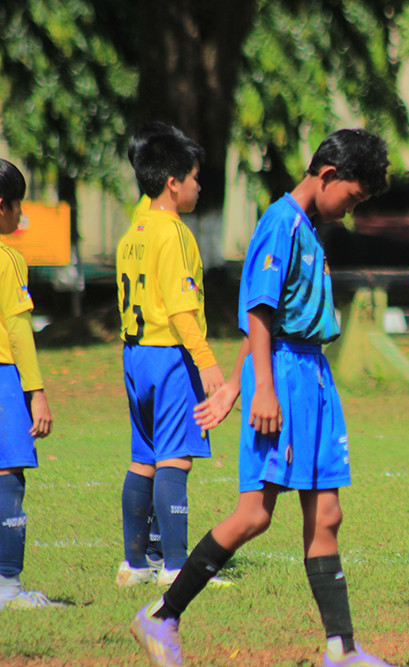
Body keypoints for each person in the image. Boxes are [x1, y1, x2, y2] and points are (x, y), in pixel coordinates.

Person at [131, 128, 393, 667]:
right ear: (327, 176)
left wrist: (233, 383)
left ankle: (341, 648)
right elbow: (257, 313)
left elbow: (267, 321)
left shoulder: (309, 226)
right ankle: (160, 617)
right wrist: (262, 390)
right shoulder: (281, 223)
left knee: (327, 514)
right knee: (255, 514)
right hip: (287, 378)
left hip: (311, 374)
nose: (352, 209)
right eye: (353, 197)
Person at [116, 124, 225, 588]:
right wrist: (207, 361)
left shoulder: (132, 234)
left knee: (144, 458)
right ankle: (178, 569)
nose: (200, 186)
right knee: (175, 459)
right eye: (196, 177)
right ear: (173, 183)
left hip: (135, 356)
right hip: (169, 356)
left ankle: (135, 565)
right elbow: (182, 309)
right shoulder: (174, 233)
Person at [0, 159, 57, 610]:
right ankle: (7, 588)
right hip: (2, 374)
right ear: (2, 206)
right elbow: (19, 332)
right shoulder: (8, 260)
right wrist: (35, 392)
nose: (22, 215)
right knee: (9, 477)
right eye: (19, 204)